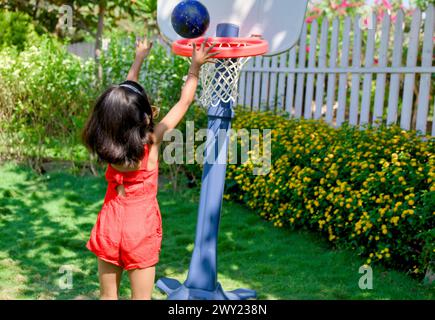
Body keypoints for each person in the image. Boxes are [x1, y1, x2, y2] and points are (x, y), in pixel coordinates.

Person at [82, 37, 218, 300]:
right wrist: (195, 66)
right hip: (139, 229)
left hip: (110, 224)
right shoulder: (152, 142)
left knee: (107, 298)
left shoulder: (107, 146)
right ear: (143, 118)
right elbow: (184, 103)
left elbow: (121, 103)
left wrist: (138, 59)